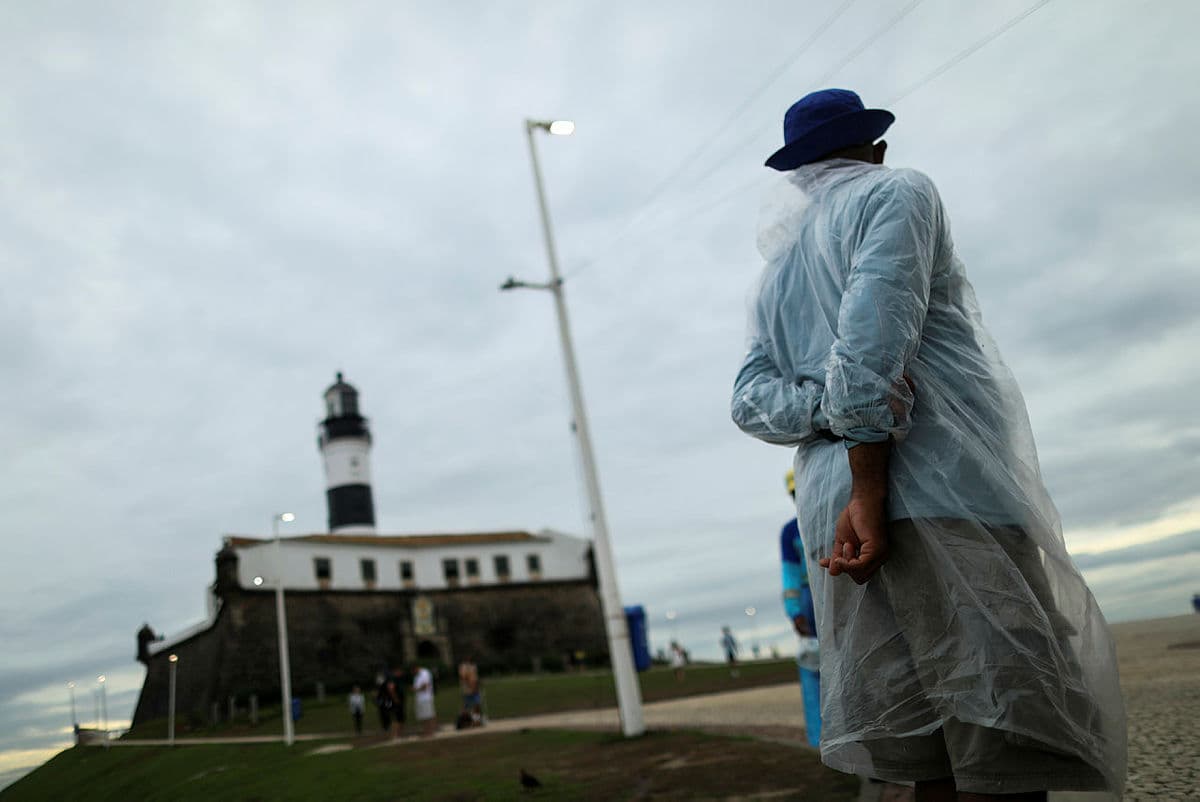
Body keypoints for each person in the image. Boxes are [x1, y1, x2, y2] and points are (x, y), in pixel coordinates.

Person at [731, 88, 1126, 800]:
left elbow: (750, 399)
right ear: (876, 149)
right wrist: (869, 489)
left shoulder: (775, 277)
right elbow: (870, 350)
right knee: (1004, 738)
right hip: (940, 494)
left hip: (832, 526)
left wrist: (823, 414)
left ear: (799, 173)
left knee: (924, 749)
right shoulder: (895, 192)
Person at [780, 469, 821, 749]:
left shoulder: (833, 513)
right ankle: (820, 739)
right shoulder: (790, 531)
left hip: (838, 592)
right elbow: (790, 575)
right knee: (812, 667)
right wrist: (795, 611)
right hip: (810, 600)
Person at [412, 663, 437, 737]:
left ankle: (431, 732)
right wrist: (416, 689)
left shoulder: (425, 673)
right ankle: (426, 731)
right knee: (423, 716)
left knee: (429, 715)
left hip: (426, 698)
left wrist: (416, 689)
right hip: (419, 699)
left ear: (416, 668)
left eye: (413, 671)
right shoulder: (416, 676)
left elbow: (425, 686)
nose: (413, 673)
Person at [458, 656, 482, 727]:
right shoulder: (463, 667)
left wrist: (477, 683)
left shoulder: (473, 666)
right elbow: (463, 677)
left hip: (475, 688)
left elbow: (475, 676)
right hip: (467, 689)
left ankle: (476, 720)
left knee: (477, 705)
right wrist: (470, 684)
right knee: (466, 706)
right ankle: (462, 721)